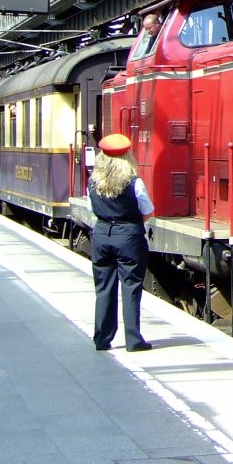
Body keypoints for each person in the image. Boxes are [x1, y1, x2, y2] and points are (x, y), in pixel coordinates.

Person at [88, 133, 155, 352]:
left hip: (102, 235)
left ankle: (102, 339)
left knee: (104, 287)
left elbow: (92, 209)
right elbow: (147, 211)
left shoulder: (93, 182)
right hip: (129, 237)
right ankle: (134, 340)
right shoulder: (135, 182)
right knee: (131, 286)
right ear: (127, 157)